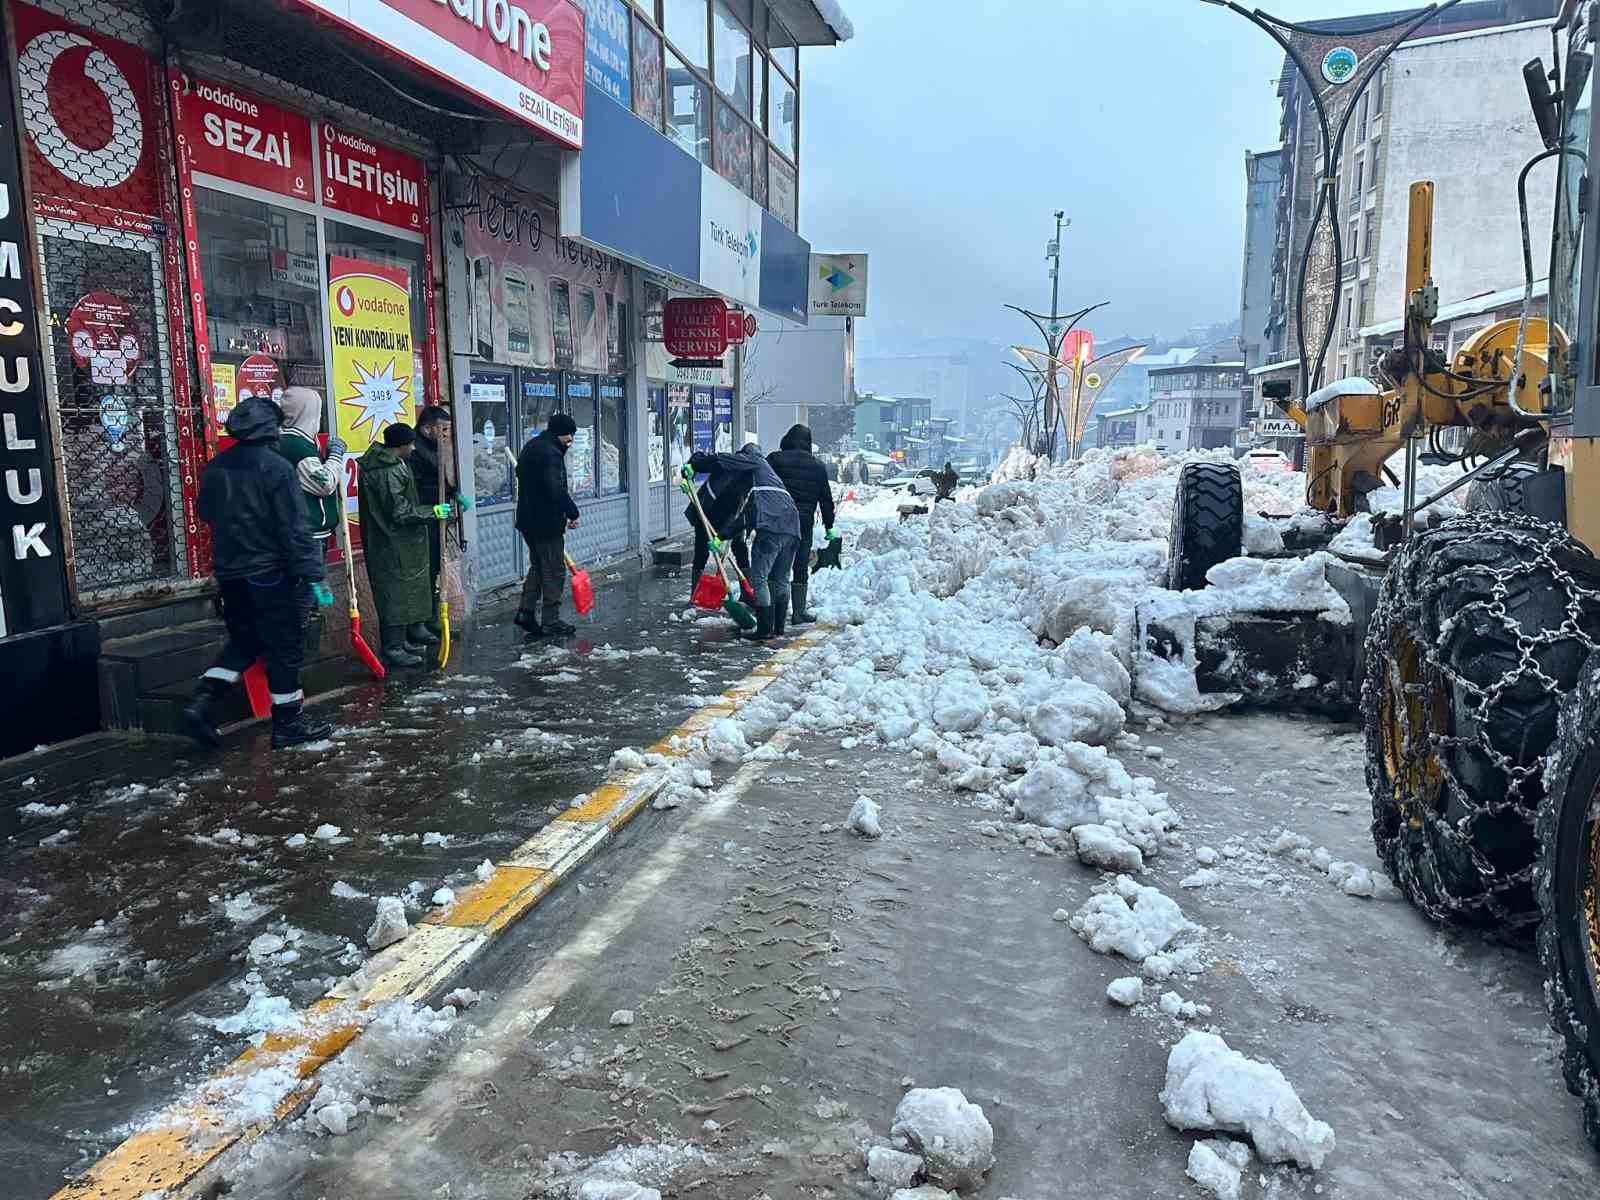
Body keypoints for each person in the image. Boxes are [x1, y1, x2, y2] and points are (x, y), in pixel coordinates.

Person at [183, 395, 335, 750]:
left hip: (231, 574)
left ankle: (203, 701)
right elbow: (295, 529)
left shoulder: (216, 467)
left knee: (245, 641)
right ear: (271, 429)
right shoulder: (276, 467)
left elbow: (206, 511)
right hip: (270, 574)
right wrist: (315, 575)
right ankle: (289, 723)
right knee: (284, 648)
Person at [358, 423, 454, 666]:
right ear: (400, 446)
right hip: (390, 541)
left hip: (400, 541)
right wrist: (431, 511)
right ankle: (392, 647)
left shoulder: (396, 465)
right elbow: (399, 512)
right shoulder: (386, 472)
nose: (413, 447)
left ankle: (401, 642)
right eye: (410, 444)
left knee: (405, 590)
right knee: (395, 594)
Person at [688, 443, 800, 641]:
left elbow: (746, 516)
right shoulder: (769, 480)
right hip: (792, 528)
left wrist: (720, 536)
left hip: (771, 529)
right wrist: (695, 464)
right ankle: (778, 628)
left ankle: (764, 629)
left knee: (760, 579)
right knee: (782, 578)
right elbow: (746, 514)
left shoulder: (754, 463)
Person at [515, 411, 581, 638]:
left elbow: (520, 474)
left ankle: (526, 611)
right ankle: (551, 621)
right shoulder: (551, 454)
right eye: (569, 436)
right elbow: (556, 488)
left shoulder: (531, 447)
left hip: (527, 520)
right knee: (553, 570)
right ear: (560, 433)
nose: (570, 441)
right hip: (546, 522)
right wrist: (572, 512)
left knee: (538, 566)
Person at [766, 424, 836, 625]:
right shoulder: (818, 466)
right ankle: (798, 612)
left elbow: (764, 485)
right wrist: (829, 526)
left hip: (778, 521)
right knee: (800, 565)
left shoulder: (775, 459)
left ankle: (771, 611)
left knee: (775, 566)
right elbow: (826, 500)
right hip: (803, 524)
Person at [274, 386, 345, 553]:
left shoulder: (295, 441)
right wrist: (335, 457)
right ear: (309, 413)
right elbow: (324, 483)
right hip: (307, 537)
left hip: (302, 533)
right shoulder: (296, 445)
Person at [410, 404, 456, 637]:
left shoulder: (433, 448)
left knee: (436, 568)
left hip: (437, 517)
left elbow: (440, 480)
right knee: (424, 570)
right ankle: (418, 624)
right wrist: (430, 509)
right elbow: (413, 490)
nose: (447, 435)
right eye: (443, 429)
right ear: (428, 428)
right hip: (424, 520)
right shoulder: (415, 451)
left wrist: (455, 495)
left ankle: (433, 618)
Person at [685, 470, 753, 606]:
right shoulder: (726, 472)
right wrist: (688, 472)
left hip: (729, 517)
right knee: (701, 552)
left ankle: (746, 592)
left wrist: (723, 537)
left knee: (740, 549)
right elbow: (701, 461)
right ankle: (695, 595)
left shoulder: (747, 478)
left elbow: (736, 515)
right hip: (705, 515)